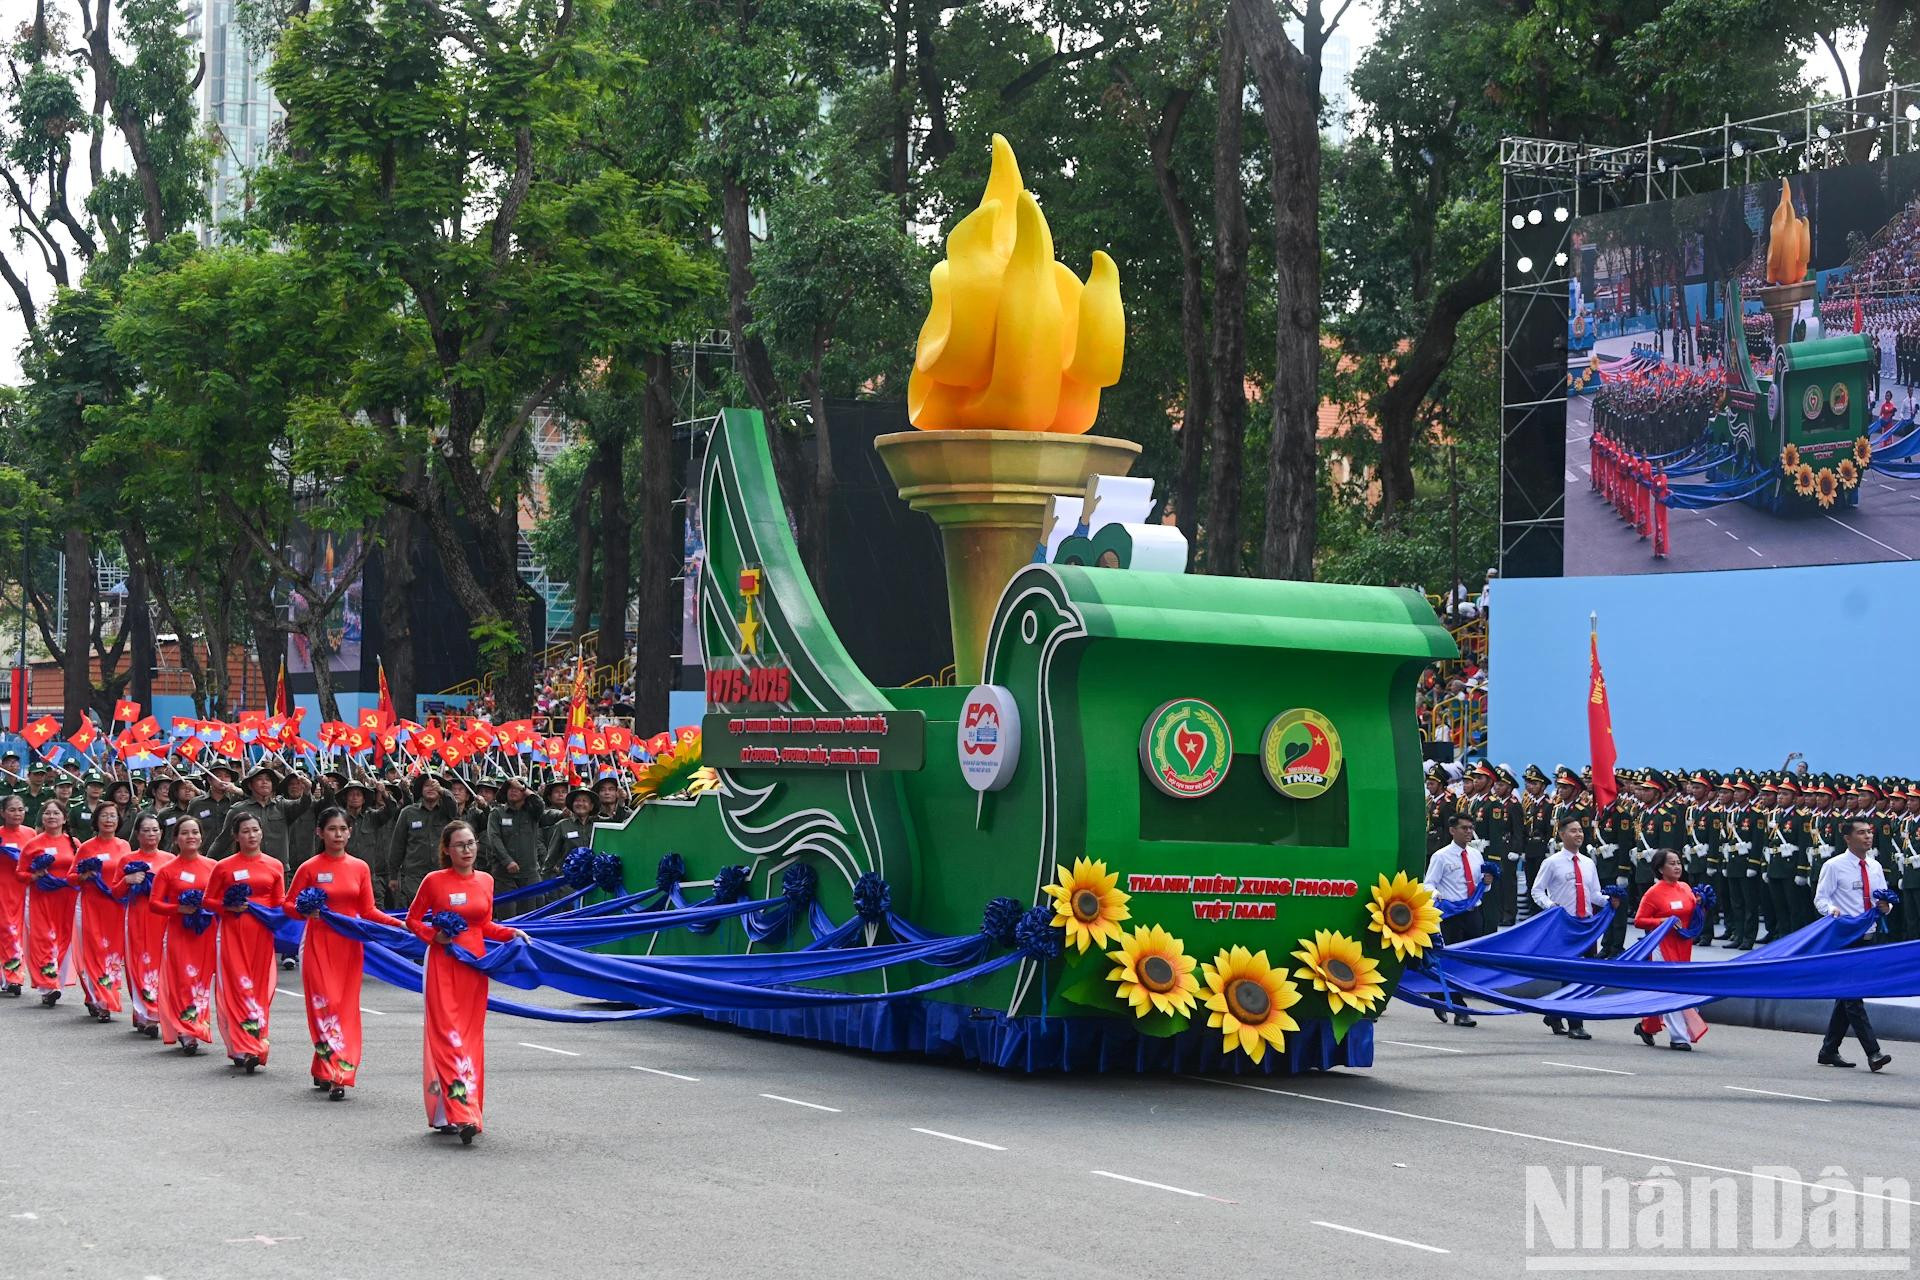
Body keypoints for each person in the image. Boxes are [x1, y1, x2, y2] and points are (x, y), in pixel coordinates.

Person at [406, 820, 527, 1144]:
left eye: (471, 843)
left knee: (470, 1038)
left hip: (474, 968)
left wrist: (511, 933)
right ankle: (463, 1115)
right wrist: (435, 935)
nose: (467, 850)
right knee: (448, 1036)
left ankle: (455, 1110)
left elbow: (484, 925)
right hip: (443, 965)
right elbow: (413, 918)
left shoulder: (486, 881)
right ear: (446, 849)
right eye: (460, 844)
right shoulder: (434, 881)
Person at [287, 807, 403, 1100]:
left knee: (345, 1008)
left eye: (343, 829)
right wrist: (306, 911)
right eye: (332, 829)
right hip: (318, 944)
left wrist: (398, 924)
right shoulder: (309, 868)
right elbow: (288, 904)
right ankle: (336, 1070)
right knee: (326, 1005)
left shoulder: (360, 867)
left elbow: (368, 910)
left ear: (350, 832)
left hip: (349, 947)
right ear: (320, 832)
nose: (338, 834)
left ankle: (329, 1067)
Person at [205, 813, 287, 1073]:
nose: (251, 836)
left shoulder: (274, 865)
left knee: (258, 989)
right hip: (232, 933)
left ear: (262, 833)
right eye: (245, 831)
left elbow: (279, 903)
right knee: (238, 987)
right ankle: (243, 1047)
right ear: (236, 836)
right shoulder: (224, 867)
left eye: (255, 830)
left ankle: (255, 1041)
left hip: (262, 935)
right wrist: (227, 905)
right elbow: (208, 901)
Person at [1811, 817, 1894, 1072]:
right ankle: (1873, 1052)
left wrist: (1886, 907)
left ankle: (1828, 1049)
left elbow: (1884, 900)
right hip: (1845, 938)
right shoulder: (1834, 866)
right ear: (1847, 838)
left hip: (1869, 936)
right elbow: (1821, 899)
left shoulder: (1875, 866)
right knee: (1853, 997)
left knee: (1847, 996)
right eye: (1861, 833)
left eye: (1869, 832)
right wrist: (1832, 910)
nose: (1868, 837)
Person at [1531, 816, 1603, 1041]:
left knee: (1586, 972)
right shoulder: (1552, 862)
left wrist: (1612, 900)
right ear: (1561, 834)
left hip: (1587, 926)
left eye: (1580, 830)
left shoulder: (1588, 863)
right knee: (1572, 974)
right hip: (1565, 925)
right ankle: (1575, 1023)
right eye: (1573, 831)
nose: (1578, 835)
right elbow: (1537, 891)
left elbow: (1594, 895)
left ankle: (1553, 1013)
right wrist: (1551, 906)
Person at [152, 816, 217, 1054]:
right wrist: (178, 909)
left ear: (201, 836)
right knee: (182, 979)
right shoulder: (167, 870)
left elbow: (218, 898)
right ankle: (186, 1030)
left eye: (195, 832)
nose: (191, 837)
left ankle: (196, 1023)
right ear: (176, 839)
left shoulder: (213, 866)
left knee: (200, 980)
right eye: (185, 833)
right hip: (179, 932)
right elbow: (155, 904)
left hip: (206, 932)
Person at [1631, 848, 1705, 1050]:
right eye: (1672, 863)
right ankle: (1679, 1037)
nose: (1677, 867)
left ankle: (1647, 1026)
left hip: (1683, 945)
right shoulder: (1653, 893)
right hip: (1662, 947)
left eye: (1679, 862)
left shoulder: (1685, 887)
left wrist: (1700, 903)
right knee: (1672, 988)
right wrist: (1661, 921)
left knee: (1671, 987)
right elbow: (1639, 921)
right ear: (1660, 868)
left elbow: (1693, 915)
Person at [1422, 812, 1487, 1027]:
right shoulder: (1441, 856)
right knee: (1451, 960)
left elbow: (1481, 886)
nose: (1468, 832)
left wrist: (1487, 881)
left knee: (1469, 960)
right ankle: (1460, 1009)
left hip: (1473, 913)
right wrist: (1437, 895)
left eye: (1470, 828)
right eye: (1464, 828)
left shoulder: (1476, 855)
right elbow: (1428, 883)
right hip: (1451, 915)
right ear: (1452, 830)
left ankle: (1439, 993)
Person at [70, 801, 132, 1022]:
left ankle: (102, 995)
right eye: (104, 816)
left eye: (113, 816)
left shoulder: (124, 846)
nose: (109, 820)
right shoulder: (87, 847)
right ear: (96, 820)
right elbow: (71, 876)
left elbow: (129, 872)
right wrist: (84, 876)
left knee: (113, 956)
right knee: (96, 953)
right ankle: (102, 1000)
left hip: (116, 906)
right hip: (92, 906)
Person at [18, 800, 81, 1007]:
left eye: (56, 813)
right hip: (41, 898)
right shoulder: (33, 844)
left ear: (64, 818)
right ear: (42, 818)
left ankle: (55, 982)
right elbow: (20, 873)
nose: (51, 817)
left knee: (63, 940)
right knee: (44, 939)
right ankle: (47, 986)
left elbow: (81, 870)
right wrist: (35, 875)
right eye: (47, 813)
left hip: (67, 898)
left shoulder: (74, 843)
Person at [117, 813, 174, 1038]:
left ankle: (149, 1013)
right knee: (138, 965)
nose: (151, 834)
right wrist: (127, 881)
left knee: (160, 965)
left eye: (155, 830)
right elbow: (115, 891)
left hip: (163, 919)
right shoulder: (127, 860)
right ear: (137, 834)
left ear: (161, 832)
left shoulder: (170, 859)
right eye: (146, 830)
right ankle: (147, 1014)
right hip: (137, 917)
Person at [389, 773, 458, 909]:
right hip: (414, 877)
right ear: (420, 789)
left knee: (442, 914)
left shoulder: (447, 812)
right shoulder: (408, 813)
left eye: (434, 785)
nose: (430, 788)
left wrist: (443, 791)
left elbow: (453, 807)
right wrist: (393, 875)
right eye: (427, 785)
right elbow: (398, 845)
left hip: (442, 873)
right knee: (417, 914)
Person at [483, 777, 546, 912]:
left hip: (529, 875)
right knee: (507, 916)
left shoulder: (533, 813)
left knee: (529, 916)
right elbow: (494, 838)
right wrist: (507, 861)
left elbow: (540, 805)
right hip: (504, 875)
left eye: (518, 788)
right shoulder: (497, 813)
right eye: (510, 788)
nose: (513, 791)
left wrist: (524, 788)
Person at [0, 794, 29, 996]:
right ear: (2, 813)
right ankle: (10, 976)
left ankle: (13, 976)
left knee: (18, 932)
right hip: (2, 889)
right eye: (12, 810)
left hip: (24, 890)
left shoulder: (30, 834)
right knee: (7, 931)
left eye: (20, 809)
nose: (17, 813)